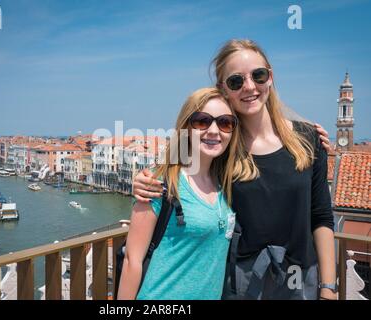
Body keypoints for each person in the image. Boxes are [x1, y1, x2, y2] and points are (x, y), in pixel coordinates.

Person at [132, 39, 336, 300]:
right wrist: (142, 179)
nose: (249, 87)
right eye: (236, 81)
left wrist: (328, 288)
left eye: (258, 75)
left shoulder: (308, 140)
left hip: (300, 278)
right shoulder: (222, 145)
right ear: (223, 88)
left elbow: (321, 215)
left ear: (270, 77)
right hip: (241, 282)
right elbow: (179, 168)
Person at [117, 88, 239, 300]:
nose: (213, 130)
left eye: (225, 122)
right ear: (186, 127)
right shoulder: (160, 182)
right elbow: (132, 261)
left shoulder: (226, 182)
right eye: (202, 121)